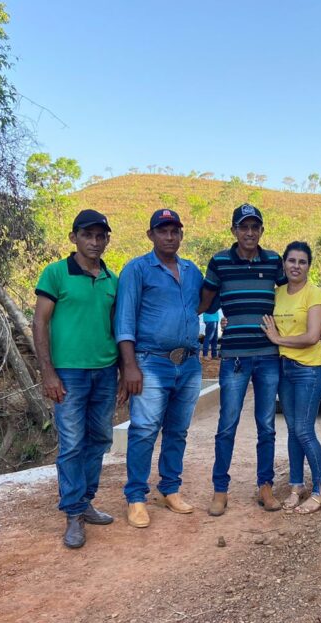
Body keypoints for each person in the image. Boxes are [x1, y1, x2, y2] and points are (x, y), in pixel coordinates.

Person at [33, 209, 119, 549]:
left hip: (105, 371)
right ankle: (72, 513)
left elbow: (116, 326)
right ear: (74, 238)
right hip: (68, 373)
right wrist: (48, 372)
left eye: (101, 236)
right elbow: (40, 323)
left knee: (100, 439)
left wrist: (122, 369)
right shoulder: (55, 273)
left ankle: (85, 502)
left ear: (107, 240)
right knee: (71, 443)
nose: (95, 242)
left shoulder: (112, 279)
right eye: (88, 235)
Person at [114, 208, 204, 528]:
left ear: (181, 234)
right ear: (150, 235)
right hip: (151, 362)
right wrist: (129, 367)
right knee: (144, 430)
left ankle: (170, 489)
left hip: (189, 363)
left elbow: (202, 305)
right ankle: (136, 497)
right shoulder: (136, 270)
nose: (169, 236)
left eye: (174, 231)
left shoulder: (192, 271)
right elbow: (124, 320)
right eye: (162, 231)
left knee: (178, 430)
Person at [199, 204, 285, 516]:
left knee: (267, 425)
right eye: (244, 227)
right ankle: (220, 490)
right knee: (227, 425)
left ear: (261, 230)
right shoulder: (219, 261)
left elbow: (290, 298)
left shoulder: (274, 261)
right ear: (234, 230)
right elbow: (205, 302)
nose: (250, 233)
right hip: (234, 357)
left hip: (268, 356)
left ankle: (265, 486)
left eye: (255, 227)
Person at [260, 241, 321, 514]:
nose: (296, 266)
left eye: (302, 262)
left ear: (308, 266)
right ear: (284, 264)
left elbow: (312, 336)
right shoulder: (277, 293)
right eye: (292, 261)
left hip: (308, 369)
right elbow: (262, 320)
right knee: (292, 430)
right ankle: (296, 485)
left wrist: (278, 339)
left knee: (303, 429)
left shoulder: (315, 294)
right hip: (284, 368)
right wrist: (229, 321)